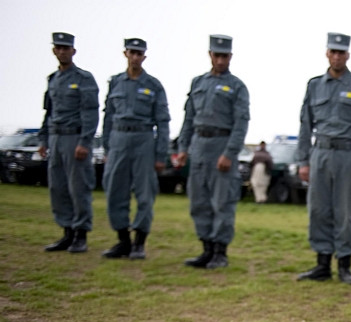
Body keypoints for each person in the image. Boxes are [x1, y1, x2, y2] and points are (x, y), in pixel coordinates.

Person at [296, 32, 351, 285]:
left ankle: (344, 265)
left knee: (345, 212)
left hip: (348, 156)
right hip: (319, 154)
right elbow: (305, 125)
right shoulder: (314, 85)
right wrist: (303, 161)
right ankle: (322, 264)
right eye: (333, 51)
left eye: (342, 52)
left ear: (347, 55)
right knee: (318, 210)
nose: (337, 56)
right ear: (327, 53)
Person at [175, 34, 250, 269]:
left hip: (221, 145)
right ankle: (206, 248)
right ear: (210, 55)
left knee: (222, 202)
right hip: (198, 146)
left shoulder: (236, 86)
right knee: (199, 201)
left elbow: (241, 123)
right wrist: (183, 148)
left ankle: (220, 251)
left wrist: (229, 153)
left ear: (230, 57)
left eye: (224, 56)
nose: (220, 60)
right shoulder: (198, 83)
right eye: (217, 55)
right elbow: (188, 118)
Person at [100, 38, 170, 260]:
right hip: (119, 139)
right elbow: (108, 117)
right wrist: (107, 146)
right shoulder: (115, 83)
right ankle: (123, 241)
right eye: (132, 53)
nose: (136, 57)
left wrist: (161, 154)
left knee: (145, 193)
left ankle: (139, 243)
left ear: (144, 57)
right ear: (125, 54)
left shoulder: (154, 85)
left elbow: (163, 122)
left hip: (143, 139)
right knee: (114, 191)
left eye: (140, 54)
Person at [38, 32, 99, 254]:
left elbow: (90, 113)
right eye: (59, 48)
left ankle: (81, 234)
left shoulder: (84, 79)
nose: (63, 51)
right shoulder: (52, 80)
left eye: (66, 48)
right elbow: (48, 112)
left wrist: (85, 142)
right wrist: (44, 139)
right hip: (55, 137)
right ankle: (67, 233)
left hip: (75, 138)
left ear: (73, 51)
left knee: (78, 187)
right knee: (58, 187)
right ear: (54, 50)